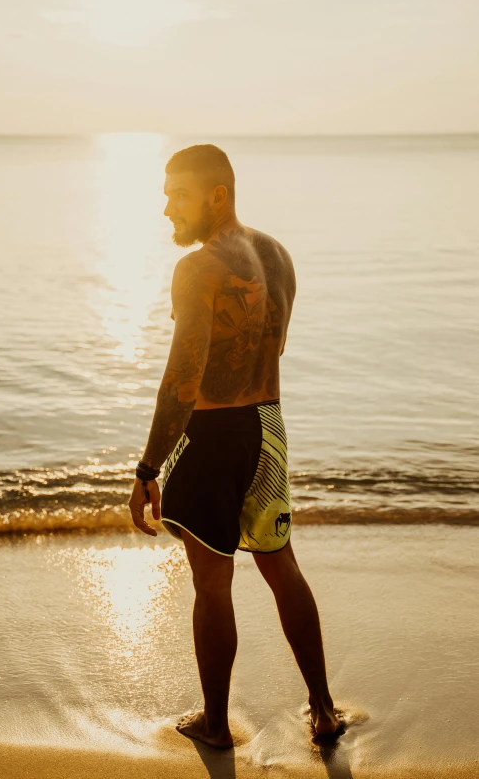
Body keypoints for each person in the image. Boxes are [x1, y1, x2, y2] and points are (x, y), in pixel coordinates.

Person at [128, 144, 343, 749]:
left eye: (178, 194)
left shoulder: (197, 268)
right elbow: (274, 349)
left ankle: (216, 722)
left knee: (212, 585)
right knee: (283, 569)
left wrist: (148, 467)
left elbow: (183, 377)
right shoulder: (277, 254)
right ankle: (323, 710)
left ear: (216, 195)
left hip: (214, 436)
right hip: (267, 426)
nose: (167, 207)